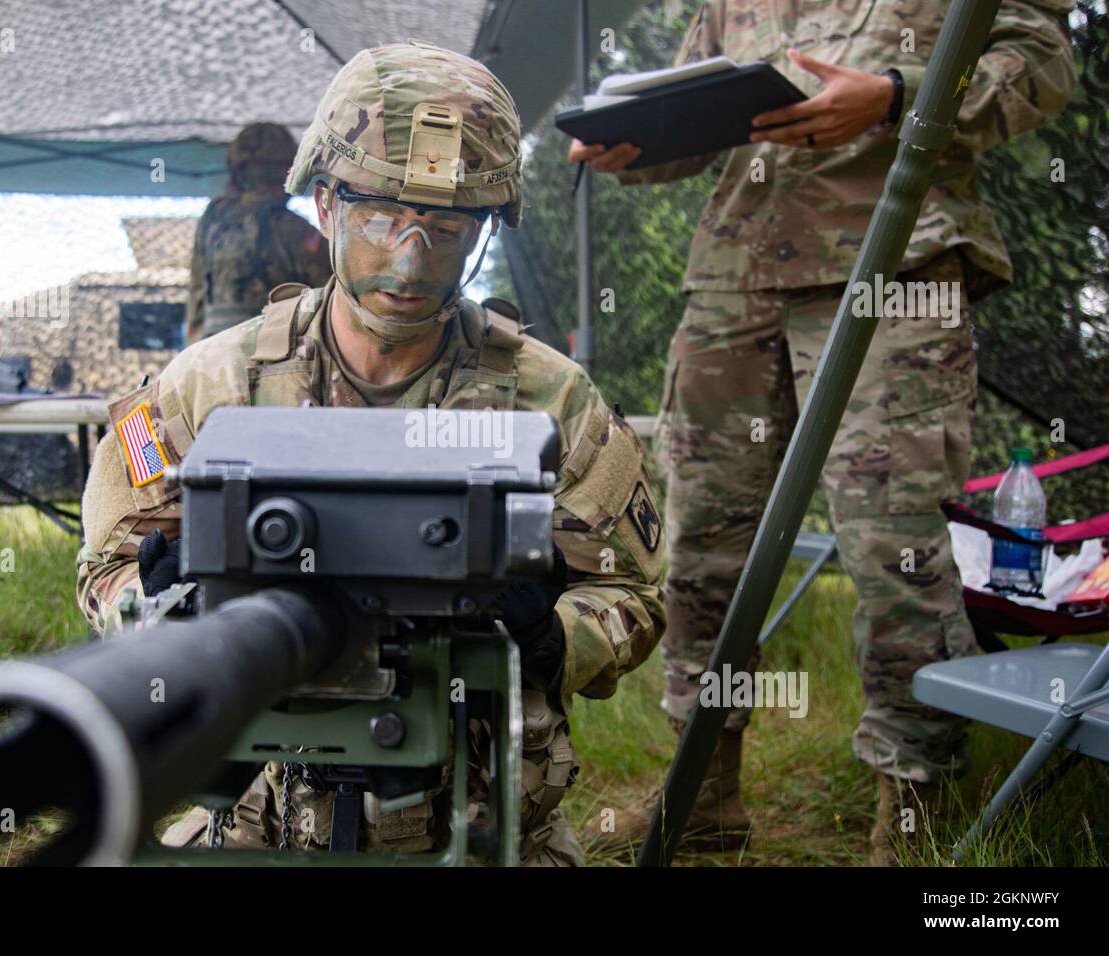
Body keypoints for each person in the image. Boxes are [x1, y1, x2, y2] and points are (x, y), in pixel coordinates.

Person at [77, 40, 667, 865]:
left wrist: (553, 632)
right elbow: (107, 567)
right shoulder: (207, 387)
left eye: (450, 224)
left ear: (483, 228)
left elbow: (631, 594)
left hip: (480, 831)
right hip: (256, 828)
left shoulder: (550, 398)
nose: (411, 257)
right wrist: (162, 605)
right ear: (325, 205)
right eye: (382, 217)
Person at [570, 0, 1076, 862]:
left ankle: (914, 811)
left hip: (895, 266)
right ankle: (704, 790)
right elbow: (703, 111)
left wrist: (895, 95)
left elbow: (1042, 63)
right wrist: (637, 147)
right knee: (703, 546)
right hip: (736, 276)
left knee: (894, 544)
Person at [185, 122, 331, 344]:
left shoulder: (213, 220)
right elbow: (329, 306)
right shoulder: (298, 232)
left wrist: (192, 357)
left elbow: (198, 299)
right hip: (275, 356)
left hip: (213, 353)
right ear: (287, 171)